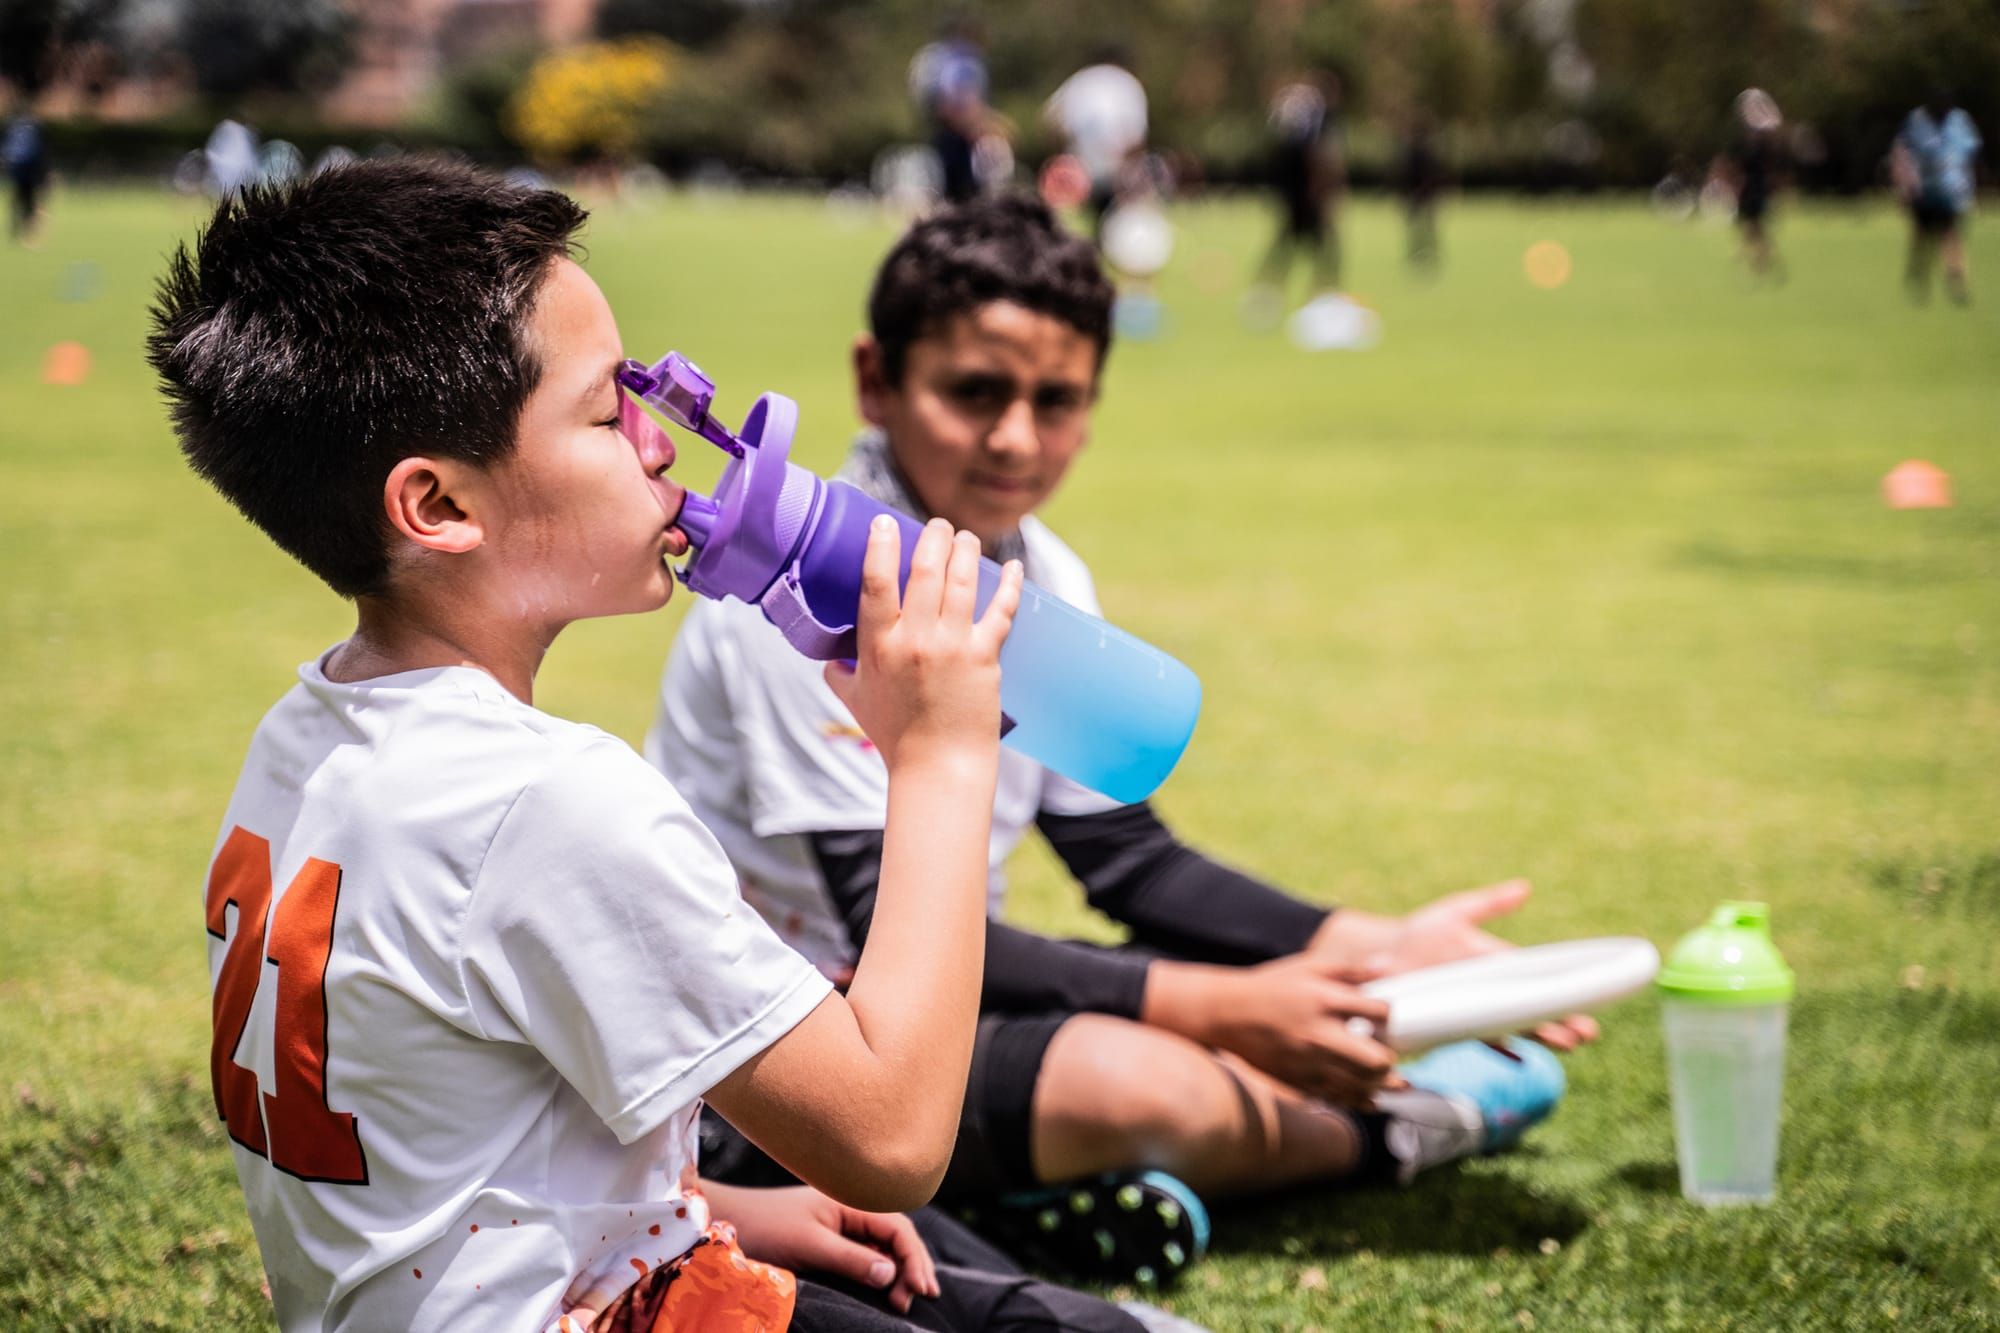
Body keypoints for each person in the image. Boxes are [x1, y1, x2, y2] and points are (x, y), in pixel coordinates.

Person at [147, 157, 1155, 1333]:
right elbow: (888, 1138)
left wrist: (709, 1203)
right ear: (442, 507)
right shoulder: (549, 799)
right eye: (604, 409)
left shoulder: (304, 734)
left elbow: (445, 1128)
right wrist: (941, 755)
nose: (663, 438)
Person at [646, 195, 1597, 1287]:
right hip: (778, 1066)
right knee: (1154, 1081)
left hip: (931, 1008)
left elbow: (1126, 859)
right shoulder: (804, 589)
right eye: (974, 392)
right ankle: (1415, 1124)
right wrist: (1228, 1008)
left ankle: (1044, 1194)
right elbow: (871, 918)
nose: (1014, 436)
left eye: (1056, 401)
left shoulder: (1043, 573)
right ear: (875, 378)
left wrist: (1372, 942)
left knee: (1210, 1031)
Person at [1248, 73, 1346, 319]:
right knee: (1321, 252)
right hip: (1307, 200)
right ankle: (1321, 301)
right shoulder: (1318, 124)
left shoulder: (1292, 123)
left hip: (1293, 198)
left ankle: (1268, 298)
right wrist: (1326, 194)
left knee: (1288, 250)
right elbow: (1322, 160)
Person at [1043, 47, 1148, 245]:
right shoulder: (1127, 83)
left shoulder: (1079, 80)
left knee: (1066, 222)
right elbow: (1134, 134)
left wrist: (1058, 155)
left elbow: (1052, 118)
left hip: (1077, 162)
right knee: (1111, 220)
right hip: (1114, 162)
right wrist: (1131, 167)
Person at [1892, 90, 1983, 304]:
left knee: (1951, 238)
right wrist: (1903, 185)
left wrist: (1975, 186)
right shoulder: (1916, 122)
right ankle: (1919, 282)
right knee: (1923, 240)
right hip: (1923, 192)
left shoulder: (1960, 121)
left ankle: (1958, 286)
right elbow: (1901, 153)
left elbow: (1973, 153)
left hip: (1952, 191)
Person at [909, 17, 996, 205]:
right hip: (958, 131)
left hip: (949, 131)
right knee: (962, 189)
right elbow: (958, 99)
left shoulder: (945, 57)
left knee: (955, 188)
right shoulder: (963, 61)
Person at [1716, 88, 1786, 281]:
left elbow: (1772, 169)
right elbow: (1733, 165)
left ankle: (1754, 258)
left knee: (1755, 227)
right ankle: (1749, 256)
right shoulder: (1744, 145)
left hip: (1757, 190)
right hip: (1748, 189)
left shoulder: (1763, 146)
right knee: (1751, 226)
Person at [1397, 110, 1447, 273]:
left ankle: (1429, 252)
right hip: (1419, 194)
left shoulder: (1422, 152)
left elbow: (1431, 174)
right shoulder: (1415, 152)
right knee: (1419, 227)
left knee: (1426, 226)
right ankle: (1420, 252)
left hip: (1424, 194)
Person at [5, 109, 48, 243]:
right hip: (29, 171)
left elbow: (6, 150)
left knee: (19, 199)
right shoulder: (34, 130)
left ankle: (19, 228)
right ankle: (27, 230)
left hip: (18, 170)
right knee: (28, 201)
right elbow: (41, 151)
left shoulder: (13, 128)